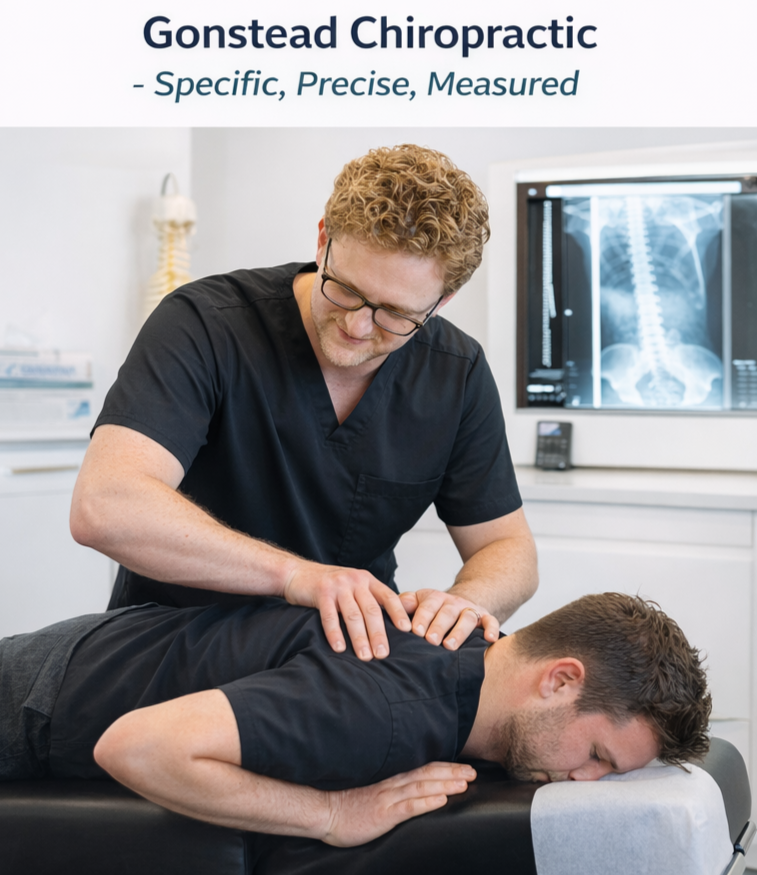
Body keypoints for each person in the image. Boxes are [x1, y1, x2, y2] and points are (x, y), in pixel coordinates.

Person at [69, 144, 538, 661]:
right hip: (169, 654)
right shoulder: (205, 325)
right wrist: (295, 576)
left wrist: (463, 604)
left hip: (335, 673)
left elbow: (508, 550)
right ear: (323, 240)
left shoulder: (455, 373)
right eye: (345, 290)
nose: (359, 327)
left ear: (442, 302)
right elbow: (105, 505)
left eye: (396, 315)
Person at [0, 593, 711, 848]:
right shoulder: (388, 706)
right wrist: (330, 814)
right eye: (596, 755)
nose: (584, 781)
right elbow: (138, 746)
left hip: (86, 649)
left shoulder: (468, 643)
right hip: (29, 704)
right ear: (559, 678)